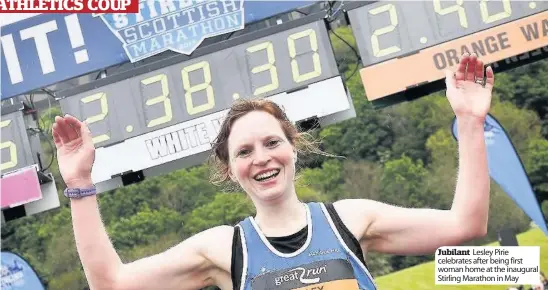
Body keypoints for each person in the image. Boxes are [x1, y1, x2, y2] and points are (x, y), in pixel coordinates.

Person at [52, 52, 494, 290]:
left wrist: (471, 122)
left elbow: (466, 225)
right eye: (244, 151)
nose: (261, 157)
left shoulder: (351, 220)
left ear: (294, 150)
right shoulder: (222, 249)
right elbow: (110, 284)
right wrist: (80, 184)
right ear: (230, 171)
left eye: (271, 143)